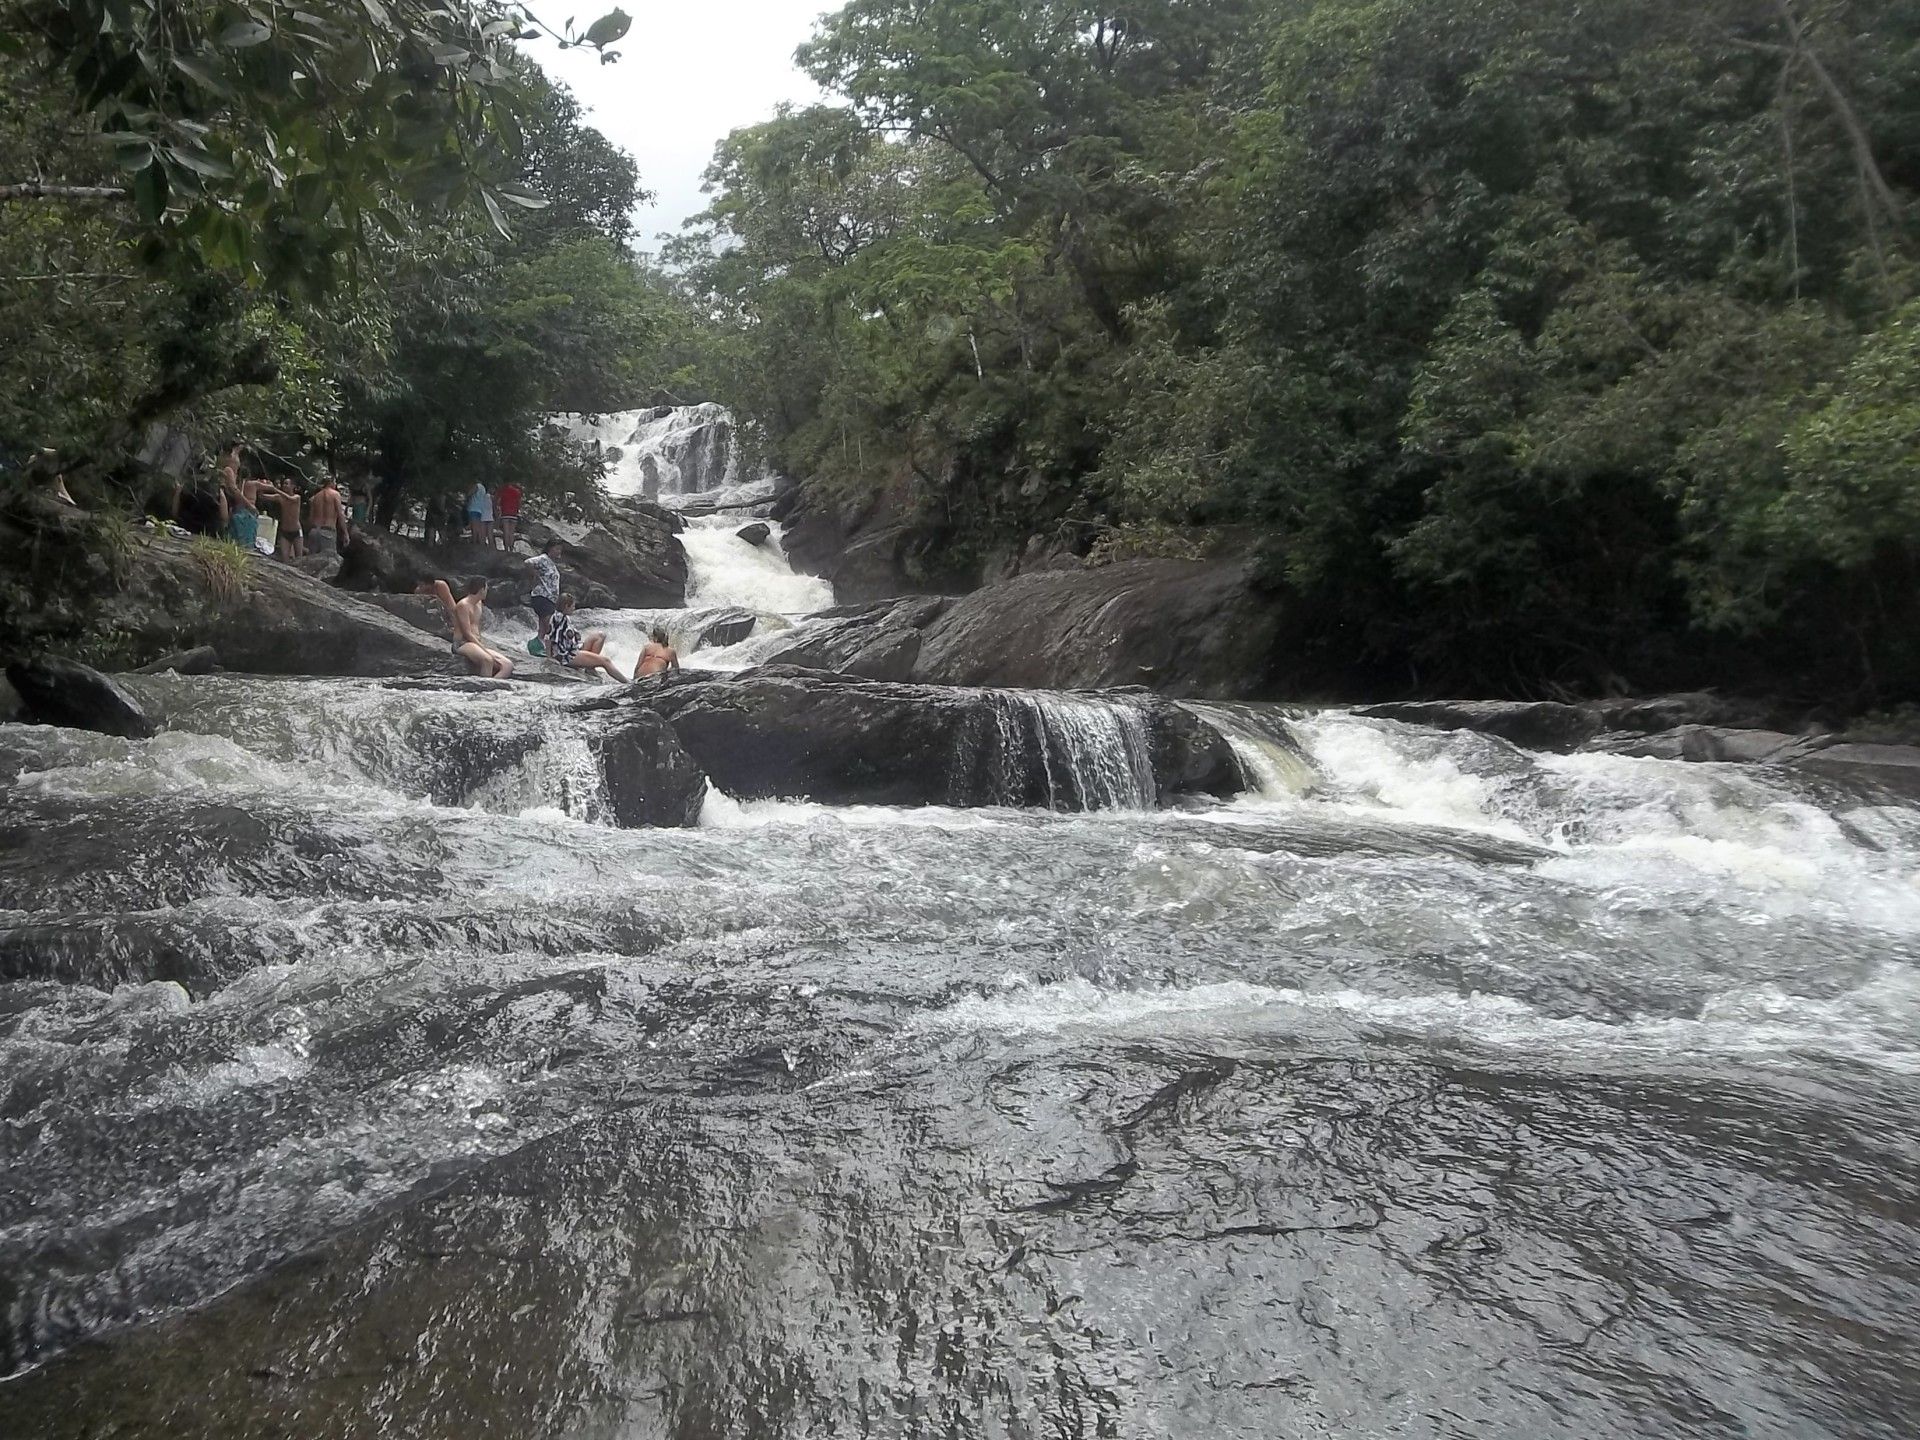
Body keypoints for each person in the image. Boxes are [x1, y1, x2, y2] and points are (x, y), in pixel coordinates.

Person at [417, 576, 514, 678]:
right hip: (462, 643)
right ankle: (485, 688)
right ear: (481, 589)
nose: (487, 591)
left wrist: (481, 644)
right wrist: (483, 648)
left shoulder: (478, 603)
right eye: (486, 589)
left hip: (476, 643)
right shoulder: (463, 605)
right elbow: (467, 633)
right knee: (487, 660)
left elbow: (476, 627)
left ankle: (494, 686)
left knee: (508, 665)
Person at [549, 594, 628, 681]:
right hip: (567, 656)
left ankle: (590, 668)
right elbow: (548, 638)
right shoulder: (557, 618)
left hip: (575, 648)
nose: (574, 608)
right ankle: (627, 683)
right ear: (566, 606)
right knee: (605, 661)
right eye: (572, 606)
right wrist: (550, 658)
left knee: (600, 635)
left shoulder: (565, 617)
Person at [525, 537, 563, 654]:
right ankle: (553, 650)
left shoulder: (551, 563)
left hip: (549, 598)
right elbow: (528, 562)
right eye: (557, 549)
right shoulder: (543, 558)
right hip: (542, 596)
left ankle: (538, 645)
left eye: (560, 549)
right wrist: (534, 575)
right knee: (549, 625)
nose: (559, 552)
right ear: (550, 549)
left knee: (543, 626)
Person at [307, 474, 347, 555]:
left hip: (314, 531)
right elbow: (340, 514)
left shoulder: (315, 497)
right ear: (331, 483)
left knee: (311, 562)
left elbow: (311, 518)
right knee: (328, 563)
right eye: (335, 482)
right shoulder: (335, 494)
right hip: (327, 531)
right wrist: (345, 533)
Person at [497, 480, 522, 551]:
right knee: (512, 532)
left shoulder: (503, 491)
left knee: (506, 532)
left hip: (505, 514)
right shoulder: (517, 492)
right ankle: (511, 548)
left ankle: (506, 548)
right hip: (514, 514)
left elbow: (499, 502)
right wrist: (517, 510)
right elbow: (519, 503)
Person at [466, 481, 493, 546]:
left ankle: (474, 543)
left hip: (473, 508)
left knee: (474, 528)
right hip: (479, 509)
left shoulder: (477, 485)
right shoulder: (483, 488)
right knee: (477, 527)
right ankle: (479, 543)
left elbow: (469, 494)